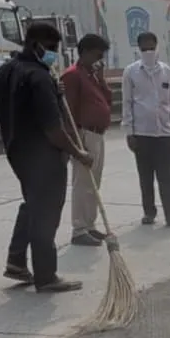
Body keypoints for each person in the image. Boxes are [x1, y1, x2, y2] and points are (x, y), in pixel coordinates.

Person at [0, 20, 91, 291]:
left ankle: (16, 261)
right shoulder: (39, 78)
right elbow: (53, 129)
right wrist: (78, 152)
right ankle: (46, 276)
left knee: (33, 204)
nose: (53, 53)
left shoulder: (7, 71)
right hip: (43, 156)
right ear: (36, 45)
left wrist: (54, 90)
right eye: (50, 48)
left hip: (17, 151)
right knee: (46, 213)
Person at [122, 31, 170, 228]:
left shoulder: (166, 71)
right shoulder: (131, 72)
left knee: (166, 175)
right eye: (144, 47)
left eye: (151, 46)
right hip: (142, 134)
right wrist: (129, 132)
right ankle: (149, 212)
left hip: (164, 132)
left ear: (156, 46)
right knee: (145, 176)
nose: (148, 50)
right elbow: (127, 103)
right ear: (139, 48)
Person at [61, 33, 114, 247]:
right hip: (84, 134)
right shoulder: (73, 76)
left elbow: (107, 100)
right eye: (97, 55)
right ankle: (79, 228)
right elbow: (68, 111)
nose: (99, 59)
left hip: (98, 134)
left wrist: (101, 79)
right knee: (83, 182)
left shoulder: (92, 75)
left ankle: (90, 224)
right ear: (85, 52)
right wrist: (76, 144)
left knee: (94, 182)